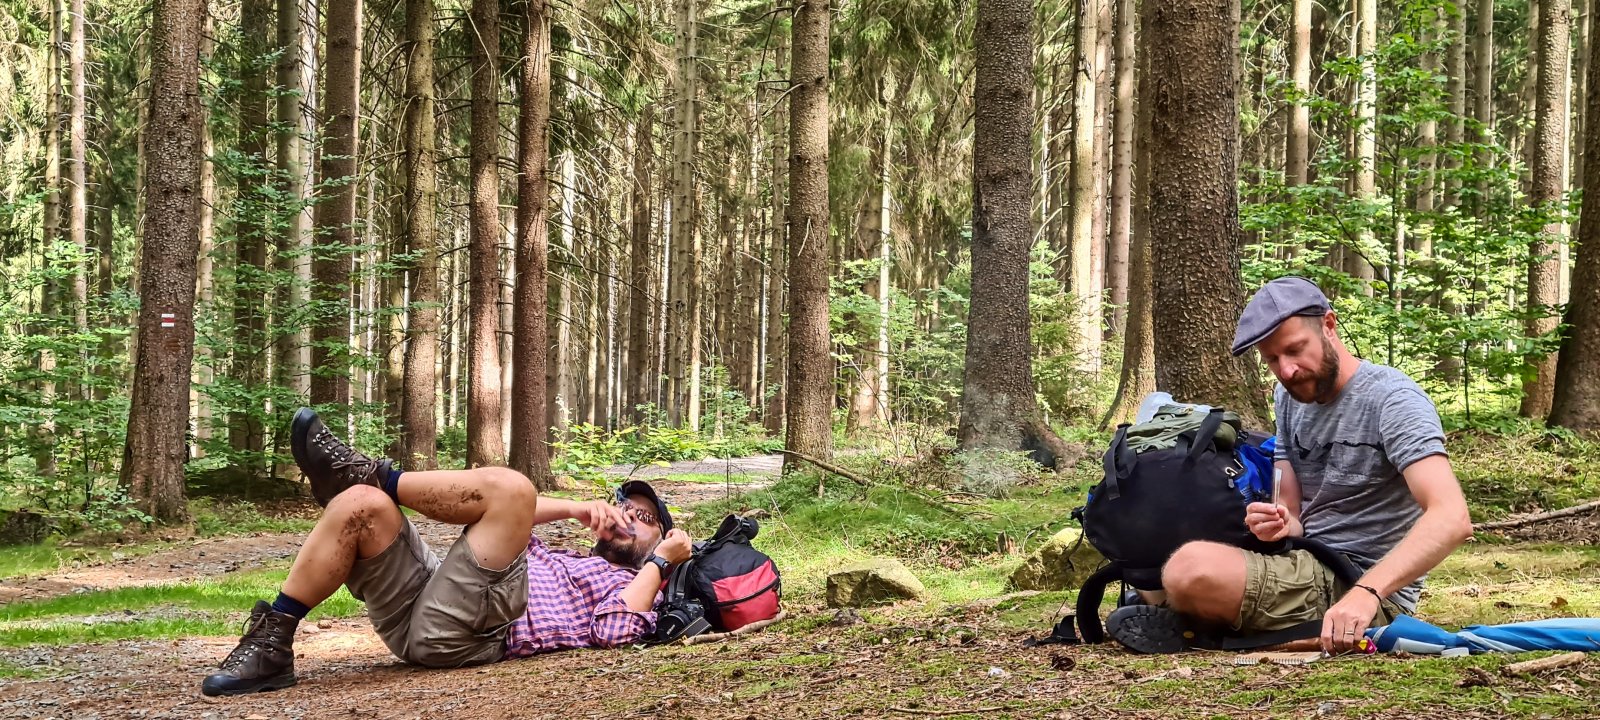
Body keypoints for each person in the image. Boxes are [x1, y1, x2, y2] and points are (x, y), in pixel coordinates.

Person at [201, 408, 693, 696]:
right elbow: (509, 517)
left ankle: (373, 473)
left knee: (513, 487)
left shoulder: (636, 586)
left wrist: (661, 563)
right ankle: (272, 645)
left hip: (471, 635)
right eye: (626, 507)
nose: (630, 515)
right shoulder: (572, 559)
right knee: (361, 505)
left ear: (660, 544)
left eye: (646, 518)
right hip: (424, 611)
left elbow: (614, 631)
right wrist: (574, 509)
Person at [1105, 276, 1473, 654]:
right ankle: (1196, 615)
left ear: (1328, 325)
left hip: (1363, 584)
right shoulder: (1289, 397)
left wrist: (1367, 592)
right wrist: (1277, 524)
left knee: (1188, 569)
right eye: (1272, 359)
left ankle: (1196, 621)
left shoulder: (1394, 400)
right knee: (1155, 560)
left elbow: (1451, 517)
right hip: (1301, 558)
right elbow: (1291, 512)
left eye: (1295, 350)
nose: (1286, 370)